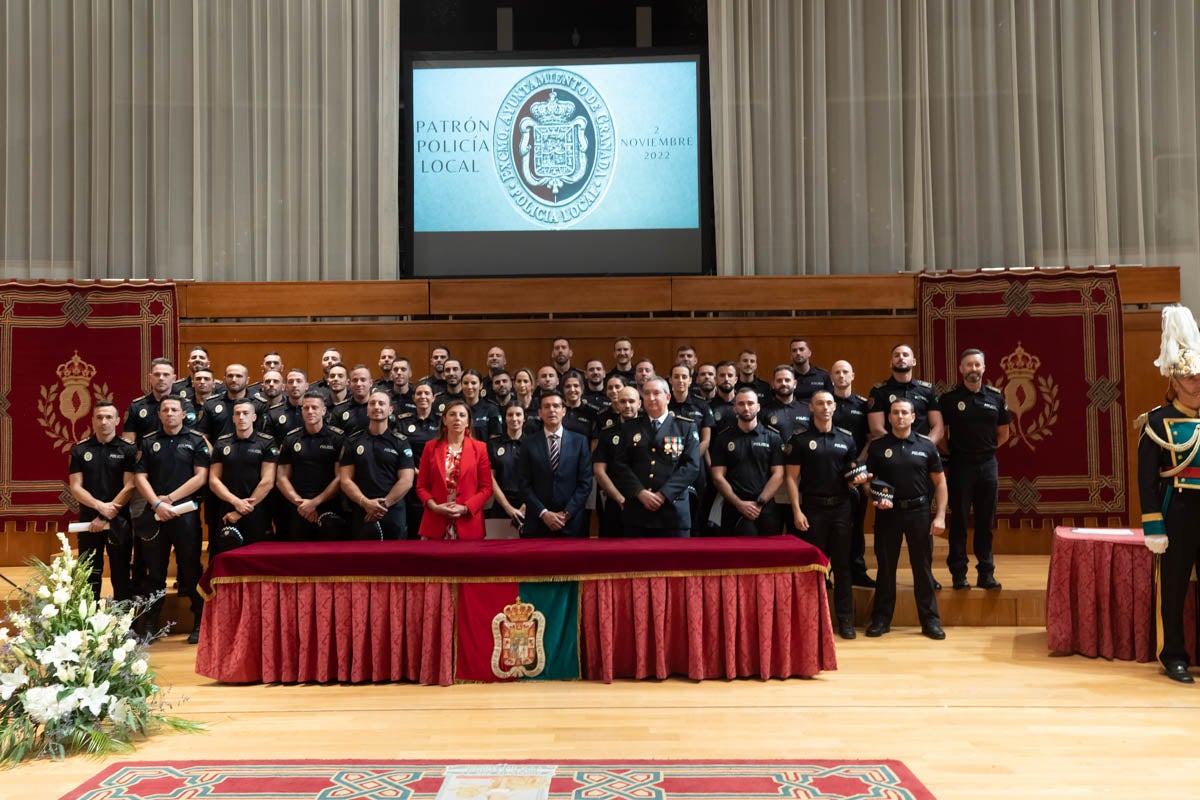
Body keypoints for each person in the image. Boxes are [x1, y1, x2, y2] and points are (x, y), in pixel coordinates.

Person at [1137, 305, 1200, 683]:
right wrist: (1153, 526)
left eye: (1199, 376)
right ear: (1174, 382)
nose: (1196, 383)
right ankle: (1173, 654)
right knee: (1174, 589)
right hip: (1178, 510)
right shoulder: (1157, 420)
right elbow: (1147, 480)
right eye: (1189, 378)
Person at [865, 398, 947, 641]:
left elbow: (940, 482)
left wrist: (940, 515)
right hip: (887, 513)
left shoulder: (927, 446)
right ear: (889, 418)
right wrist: (875, 497)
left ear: (913, 417)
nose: (900, 417)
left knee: (922, 569)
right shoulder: (878, 447)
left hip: (918, 512)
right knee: (886, 568)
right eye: (895, 413)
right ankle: (881, 619)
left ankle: (930, 621)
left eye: (904, 413)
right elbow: (867, 480)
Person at [785, 390, 864, 638]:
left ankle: (845, 620)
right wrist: (796, 511)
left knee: (842, 566)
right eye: (820, 403)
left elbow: (851, 474)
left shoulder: (847, 439)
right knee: (814, 567)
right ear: (812, 408)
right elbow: (790, 478)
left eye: (830, 403)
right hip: (812, 509)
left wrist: (857, 480)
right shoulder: (800, 440)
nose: (826, 407)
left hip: (841, 508)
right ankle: (812, 620)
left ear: (834, 407)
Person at [132, 397, 210, 643]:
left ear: (183, 413)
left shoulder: (196, 440)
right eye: (165, 410)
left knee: (191, 568)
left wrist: (171, 499)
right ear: (160, 414)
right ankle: (151, 624)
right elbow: (140, 477)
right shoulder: (149, 441)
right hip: (155, 513)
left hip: (184, 513)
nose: (169, 414)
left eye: (174, 410)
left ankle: (199, 621)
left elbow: (201, 477)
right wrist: (157, 502)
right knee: (154, 572)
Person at [938, 349, 1011, 590]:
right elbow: (942, 437)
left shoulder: (996, 397)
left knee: (985, 521)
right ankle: (959, 573)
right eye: (968, 365)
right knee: (958, 521)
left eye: (977, 364)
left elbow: (1003, 433)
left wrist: (985, 450)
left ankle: (986, 573)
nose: (973, 369)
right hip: (961, 465)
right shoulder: (949, 399)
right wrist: (958, 453)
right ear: (961, 369)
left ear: (983, 368)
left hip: (988, 465)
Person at [609, 376, 701, 537]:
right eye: (647, 394)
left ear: (667, 397)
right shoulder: (630, 427)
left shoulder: (685, 426)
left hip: (673, 512)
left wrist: (663, 494)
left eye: (656, 393)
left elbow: (691, 466)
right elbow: (620, 465)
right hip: (638, 511)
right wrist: (640, 492)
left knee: (675, 562)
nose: (651, 398)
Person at [67, 401, 137, 601]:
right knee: (90, 574)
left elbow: (130, 486)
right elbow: (76, 487)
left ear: (116, 421)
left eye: (108, 417)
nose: (103, 421)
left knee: (121, 573)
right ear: (92, 421)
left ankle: (125, 626)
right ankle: (89, 626)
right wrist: (100, 508)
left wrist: (107, 515)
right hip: (89, 523)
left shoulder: (128, 449)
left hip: (119, 521)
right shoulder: (80, 450)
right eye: (99, 417)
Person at [338, 390, 415, 540]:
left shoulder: (400, 441)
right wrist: (366, 503)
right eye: (372, 403)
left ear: (390, 409)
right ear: (367, 409)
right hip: (362, 510)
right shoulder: (353, 441)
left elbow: (406, 481)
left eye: (381, 403)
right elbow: (345, 479)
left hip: (392, 510)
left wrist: (383, 505)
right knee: (364, 560)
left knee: (395, 560)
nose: (377, 407)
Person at [709, 387, 784, 536]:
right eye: (741, 404)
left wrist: (759, 503)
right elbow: (717, 476)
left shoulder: (773, 437)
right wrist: (739, 504)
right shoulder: (723, 438)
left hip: (765, 508)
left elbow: (778, 474)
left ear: (758, 407)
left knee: (768, 557)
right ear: (735, 408)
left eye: (750, 403)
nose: (746, 407)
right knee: (733, 557)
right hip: (733, 508)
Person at [518, 391, 593, 538]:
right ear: (540, 412)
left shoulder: (580, 441)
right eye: (547, 406)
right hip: (538, 522)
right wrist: (544, 513)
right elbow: (523, 484)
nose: (552, 410)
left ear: (563, 411)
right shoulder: (528, 443)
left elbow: (585, 483)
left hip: (571, 523)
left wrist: (566, 514)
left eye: (556, 406)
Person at [415, 398, 493, 540]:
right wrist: (434, 507)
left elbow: (487, 488)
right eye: (452, 414)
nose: (457, 418)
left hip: (468, 522)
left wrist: (465, 508)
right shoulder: (430, 447)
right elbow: (421, 486)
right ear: (444, 420)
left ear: (468, 421)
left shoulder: (480, 448)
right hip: (436, 520)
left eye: (462, 415)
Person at [207, 399, 278, 554]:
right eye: (237, 414)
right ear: (233, 418)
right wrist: (236, 502)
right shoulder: (222, 443)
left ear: (254, 417)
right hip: (227, 509)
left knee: (258, 558)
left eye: (246, 413)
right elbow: (213, 480)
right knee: (228, 557)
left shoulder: (266, 442)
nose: (241, 417)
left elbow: (268, 481)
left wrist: (241, 510)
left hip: (258, 510)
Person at [276, 390, 346, 541]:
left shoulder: (337, 438)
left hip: (329, 505)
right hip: (298, 508)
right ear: (301, 410)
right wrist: (301, 504)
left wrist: (315, 503)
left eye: (314, 407)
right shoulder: (291, 439)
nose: (310, 411)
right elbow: (281, 477)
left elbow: (341, 477)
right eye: (306, 408)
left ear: (323, 410)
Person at [831, 359, 875, 588]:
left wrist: (858, 464)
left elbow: (870, 439)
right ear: (832, 377)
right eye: (837, 372)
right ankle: (827, 572)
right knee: (830, 526)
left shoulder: (863, 405)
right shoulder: (825, 403)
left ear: (853, 375)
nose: (841, 376)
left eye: (845, 372)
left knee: (856, 525)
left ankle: (857, 569)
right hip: (829, 474)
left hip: (857, 474)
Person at [868, 343, 943, 444]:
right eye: (897, 355)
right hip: (890, 451)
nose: (901, 358)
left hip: (921, 452)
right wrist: (899, 449)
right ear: (891, 363)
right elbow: (876, 428)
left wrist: (924, 449)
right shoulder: (879, 391)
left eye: (905, 355)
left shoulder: (927, 390)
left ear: (914, 362)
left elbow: (938, 427)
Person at [593, 385, 641, 537]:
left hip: (643, 500)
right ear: (617, 404)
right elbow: (599, 471)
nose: (627, 405)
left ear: (639, 404)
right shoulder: (607, 433)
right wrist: (619, 499)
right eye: (623, 401)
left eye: (631, 401)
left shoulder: (649, 430)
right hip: (615, 499)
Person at [396, 383, 440, 536]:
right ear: (413, 398)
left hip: (436, 481)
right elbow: (399, 451)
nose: (423, 397)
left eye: (427, 393)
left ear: (433, 398)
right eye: (419, 393)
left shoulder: (442, 422)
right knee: (412, 527)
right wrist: (414, 471)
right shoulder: (402, 421)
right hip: (410, 481)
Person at [487, 404, 527, 537]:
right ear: (504, 418)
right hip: (500, 503)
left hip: (528, 505)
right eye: (510, 415)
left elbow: (539, 478)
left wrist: (526, 505)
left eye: (518, 414)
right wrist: (507, 507)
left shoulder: (534, 443)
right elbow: (490, 477)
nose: (514, 418)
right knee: (498, 550)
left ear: (524, 418)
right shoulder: (493, 444)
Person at [760, 364, 812, 444]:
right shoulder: (764, 411)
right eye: (779, 380)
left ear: (795, 384)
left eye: (787, 380)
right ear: (773, 384)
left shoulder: (808, 410)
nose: (783, 384)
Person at [462, 369, 503, 441]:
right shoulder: (457, 408)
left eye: (473, 383)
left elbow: (495, 438)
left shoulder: (491, 409)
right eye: (465, 383)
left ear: (481, 385)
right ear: (461, 385)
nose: (469, 387)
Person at [332, 364, 373, 435]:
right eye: (355, 380)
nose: (359, 384)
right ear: (349, 383)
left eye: (363, 380)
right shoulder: (339, 410)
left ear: (371, 383)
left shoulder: (379, 408)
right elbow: (335, 439)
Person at [789, 338, 833, 402]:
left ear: (809, 353)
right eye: (794, 350)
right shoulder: (785, 376)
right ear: (791, 355)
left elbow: (830, 400)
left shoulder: (823, 375)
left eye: (801, 349)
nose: (798, 353)